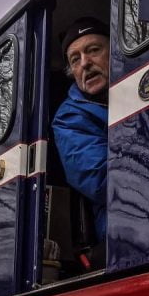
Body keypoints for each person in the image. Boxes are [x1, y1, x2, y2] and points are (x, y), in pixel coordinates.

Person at [52, 17, 110, 250]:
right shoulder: (68, 119)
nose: (85, 63)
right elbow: (103, 180)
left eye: (94, 50)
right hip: (122, 228)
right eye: (75, 60)